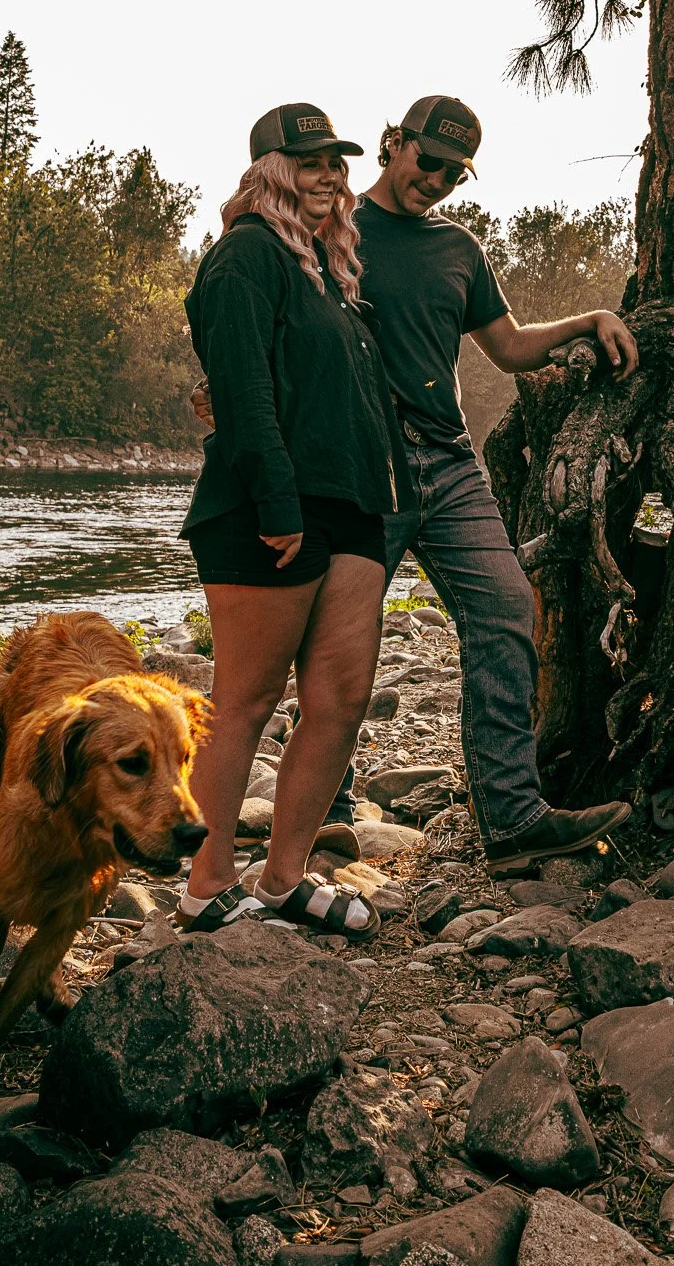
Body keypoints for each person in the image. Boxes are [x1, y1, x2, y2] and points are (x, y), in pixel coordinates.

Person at [198, 96, 641, 878]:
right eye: (426, 160)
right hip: (361, 463)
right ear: (392, 145)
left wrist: (588, 318)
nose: (436, 180)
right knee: (329, 649)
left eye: (454, 172)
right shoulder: (326, 229)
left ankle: (512, 816)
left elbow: (507, 348)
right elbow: (257, 332)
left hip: (447, 458)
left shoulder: (458, 249)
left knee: (506, 603)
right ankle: (319, 824)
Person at [174, 103, 411, 937]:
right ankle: (206, 886)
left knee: (340, 700)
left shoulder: (329, 271)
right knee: (245, 700)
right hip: (267, 512)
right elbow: (241, 394)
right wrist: (277, 504)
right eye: (309, 161)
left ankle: (281, 879)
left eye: (337, 164)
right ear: (270, 170)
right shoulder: (243, 258)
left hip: (353, 509)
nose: (329, 176)